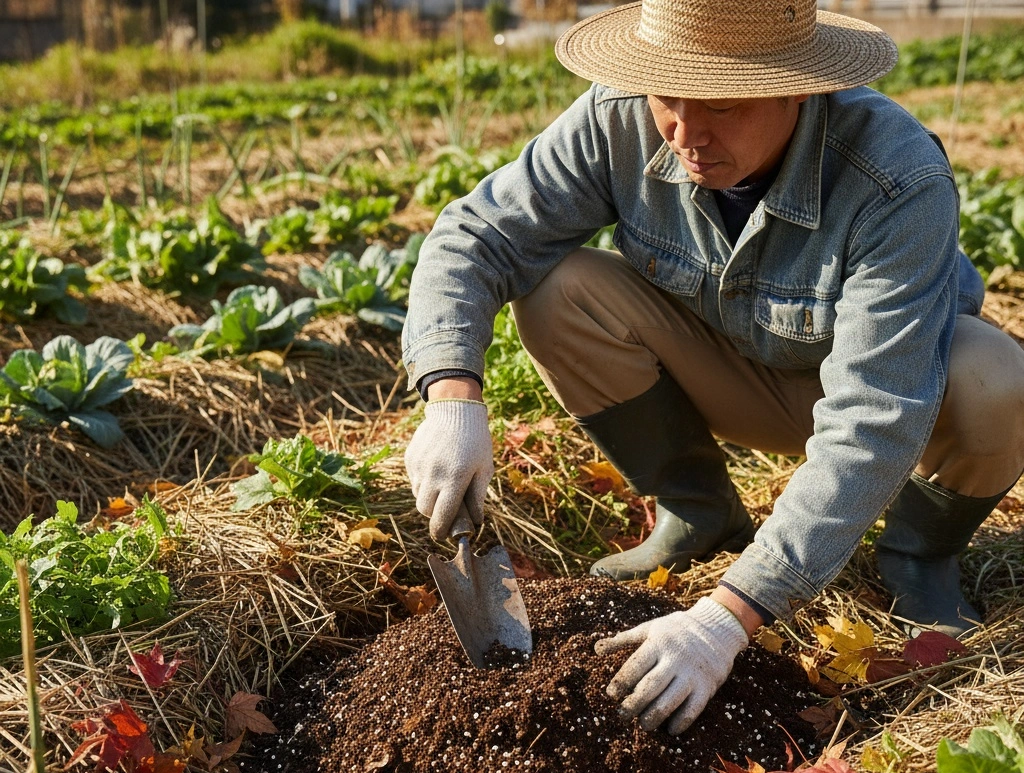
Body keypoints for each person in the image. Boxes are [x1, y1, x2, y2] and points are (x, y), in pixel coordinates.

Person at [402, 0, 1024, 736]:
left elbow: (875, 412)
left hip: (896, 399)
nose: (686, 135)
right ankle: (698, 511)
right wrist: (450, 398)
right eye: (668, 98)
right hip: (727, 371)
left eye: (724, 104)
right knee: (559, 289)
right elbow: (475, 236)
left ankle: (920, 556)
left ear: (801, 85)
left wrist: (729, 617)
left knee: (995, 378)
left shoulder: (894, 178)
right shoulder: (618, 118)